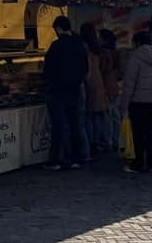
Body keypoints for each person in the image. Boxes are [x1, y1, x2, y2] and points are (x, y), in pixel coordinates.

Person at [120, 31, 152, 172]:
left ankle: (138, 163)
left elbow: (129, 83)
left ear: (137, 43)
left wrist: (124, 105)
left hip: (138, 101)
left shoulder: (135, 57)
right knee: (151, 132)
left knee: (138, 133)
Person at [43, 16, 89, 170]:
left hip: (57, 91)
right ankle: (76, 158)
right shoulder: (79, 45)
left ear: (58, 29)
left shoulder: (56, 46)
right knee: (75, 124)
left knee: (58, 126)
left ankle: (55, 160)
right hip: (74, 90)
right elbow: (85, 69)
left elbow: (47, 69)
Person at [80, 23, 108, 154]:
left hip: (89, 82)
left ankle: (91, 142)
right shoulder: (97, 48)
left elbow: (87, 69)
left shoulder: (84, 48)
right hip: (99, 82)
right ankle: (99, 141)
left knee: (89, 115)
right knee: (98, 115)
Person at [98, 28, 121, 150]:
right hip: (114, 86)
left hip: (106, 86)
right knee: (115, 115)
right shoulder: (115, 52)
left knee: (107, 115)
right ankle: (117, 139)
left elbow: (102, 70)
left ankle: (108, 141)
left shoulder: (103, 54)